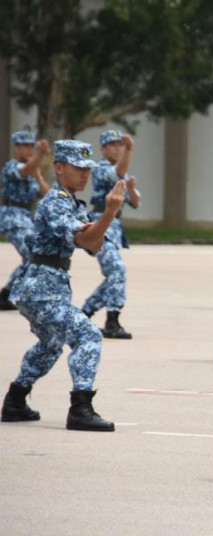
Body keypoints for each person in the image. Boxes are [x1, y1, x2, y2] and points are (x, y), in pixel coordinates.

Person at [1, 140, 123, 432]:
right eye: (77, 168)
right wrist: (108, 213)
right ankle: (80, 408)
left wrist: (107, 215)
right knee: (88, 335)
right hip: (41, 290)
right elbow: (83, 239)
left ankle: (15, 401)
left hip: (45, 288)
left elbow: (93, 243)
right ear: (59, 168)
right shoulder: (55, 202)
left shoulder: (70, 202)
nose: (85, 175)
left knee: (50, 345)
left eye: (87, 170)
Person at [80, 130, 139, 339]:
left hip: (114, 226)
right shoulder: (100, 167)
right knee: (117, 271)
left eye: (119, 145)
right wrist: (130, 149)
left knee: (115, 275)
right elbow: (117, 172)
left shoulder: (121, 174)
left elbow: (135, 202)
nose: (117, 147)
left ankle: (84, 314)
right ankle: (111, 321)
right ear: (103, 149)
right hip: (100, 224)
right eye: (112, 144)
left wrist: (130, 188)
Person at [0, 131, 50, 311]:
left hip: (27, 218)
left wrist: (38, 174)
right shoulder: (11, 167)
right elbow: (25, 170)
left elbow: (45, 194)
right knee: (32, 256)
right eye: (25, 146)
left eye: (31, 146)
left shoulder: (31, 171)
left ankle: (6, 294)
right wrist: (40, 155)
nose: (29, 149)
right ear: (16, 147)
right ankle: (8, 294)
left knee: (34, 257)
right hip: (12, 218)